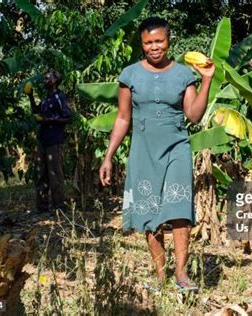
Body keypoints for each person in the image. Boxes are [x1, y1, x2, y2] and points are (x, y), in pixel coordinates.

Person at [99, 17, 215, 291]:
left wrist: (206, 81)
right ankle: (160, 275)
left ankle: (182, 274)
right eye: (148, 42)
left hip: (177, 147)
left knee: (179, 210)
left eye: (159, 41)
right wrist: (108, 156)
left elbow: (194, 116)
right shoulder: (129, 75)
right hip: (143, 151)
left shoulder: (183, 74)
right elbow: (123, 118)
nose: (154, 47)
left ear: (168, 40)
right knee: (149, 212)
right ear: (142, 44)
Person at [28, 69, 73, 213]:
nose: (44, 81)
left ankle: (59, 206)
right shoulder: (47, 98)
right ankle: (42, 206)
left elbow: (68, 117)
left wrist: (50, 120)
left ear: (54, 80)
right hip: (44, 140)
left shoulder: (60, 97)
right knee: (42, 174)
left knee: (55, 175)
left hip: (55, 141)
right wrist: (30, 96)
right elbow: (36, 111)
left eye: (47, 78)